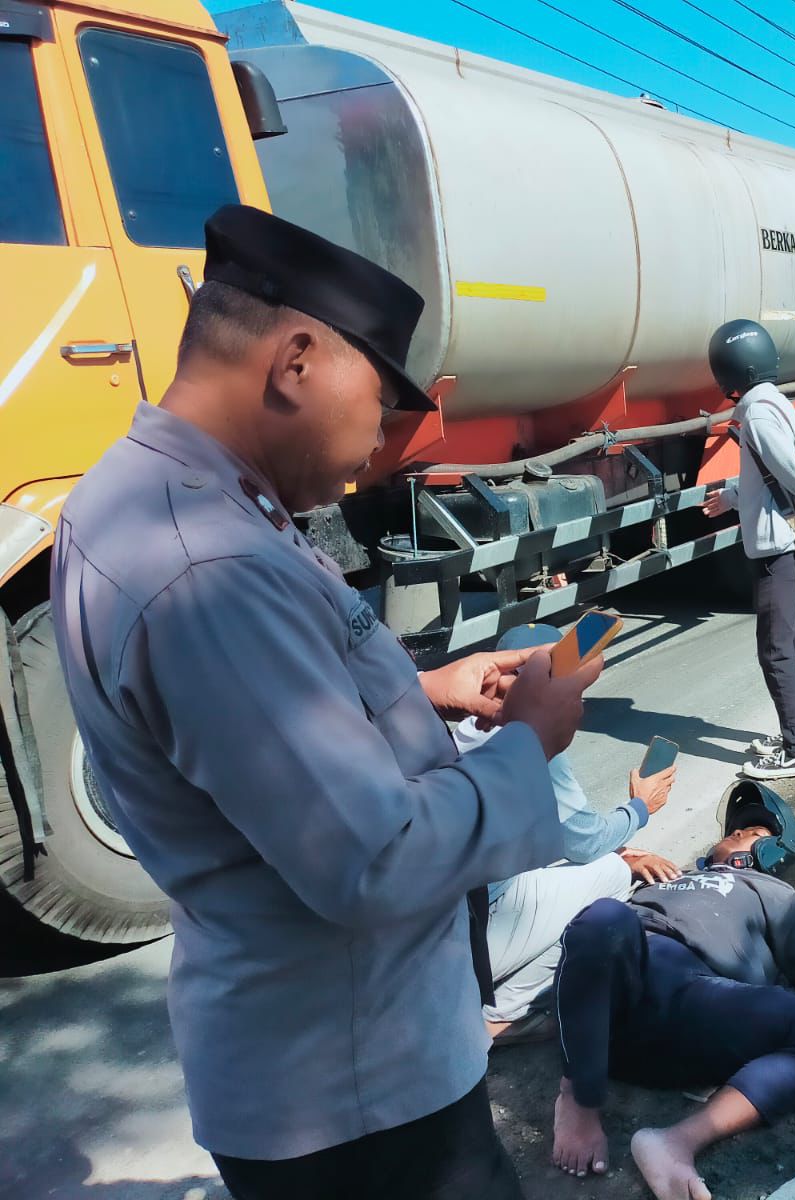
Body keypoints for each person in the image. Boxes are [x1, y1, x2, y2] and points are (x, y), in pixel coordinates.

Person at [51, 205, 602, 1200]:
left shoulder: (163, 496)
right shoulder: (205, 564)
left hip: (334, 1061)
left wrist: (426, 691)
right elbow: (375, 859)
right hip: (356, 1095)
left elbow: (250, 720)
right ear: (297, 362)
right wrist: (531, 741)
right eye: (383, 399)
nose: (385, 438)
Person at [549, 782, 795, 1199]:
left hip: (688, 1001)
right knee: (603, 917)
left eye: (754, 832)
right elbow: (583, 939)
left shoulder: (774, 893)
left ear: (777, 856)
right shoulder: (667, 877)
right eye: (737, 829)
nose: (738, 832)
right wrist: (627, 860)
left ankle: (676, 1142)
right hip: (607, 999)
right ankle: (579, 1100)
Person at [455, 626, 680, 1044]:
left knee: (605, 860)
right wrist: (640, 807)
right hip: (476, 937)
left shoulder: (466, 725)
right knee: (613, 875)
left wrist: (621, 845)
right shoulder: (528, 738)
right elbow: (584, 842)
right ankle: (501, 1016)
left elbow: (547, 835)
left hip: (446, 923)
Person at [700, 319, 795, 781]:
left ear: (731, 373)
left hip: (776, 547)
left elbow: (790, 473)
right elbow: (766, 477)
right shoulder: (776, 404)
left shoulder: (757, 416)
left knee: (776, 649)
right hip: (785, 539)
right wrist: (731, 498)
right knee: (792, 640)